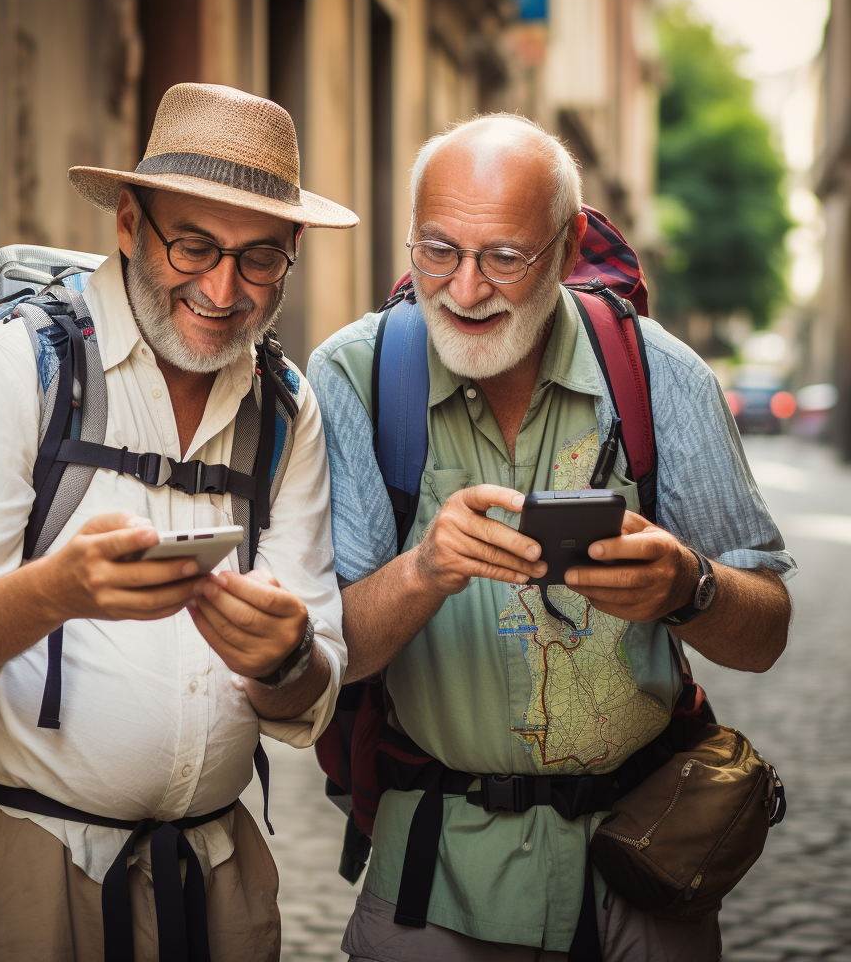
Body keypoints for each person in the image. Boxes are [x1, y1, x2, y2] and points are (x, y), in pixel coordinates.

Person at [0, 83, 356, 962]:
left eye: (260, 260)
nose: (222, 288)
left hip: (219, 878)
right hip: (28, 865)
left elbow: (309, 701)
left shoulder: (286, 407)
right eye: (194, 246)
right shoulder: (18, 366)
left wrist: (287, 655)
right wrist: (53, 592)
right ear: (130, 223)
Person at [307, 113, 794, 962]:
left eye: (503, 257)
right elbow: (328, 657)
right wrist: (425, 570)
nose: (464, 290)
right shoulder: (352, 375)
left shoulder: (659, 376)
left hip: (644, 859)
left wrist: (688, 586)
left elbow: (766, 634)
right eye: (437, 251)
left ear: (567, 251)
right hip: (437, 872)